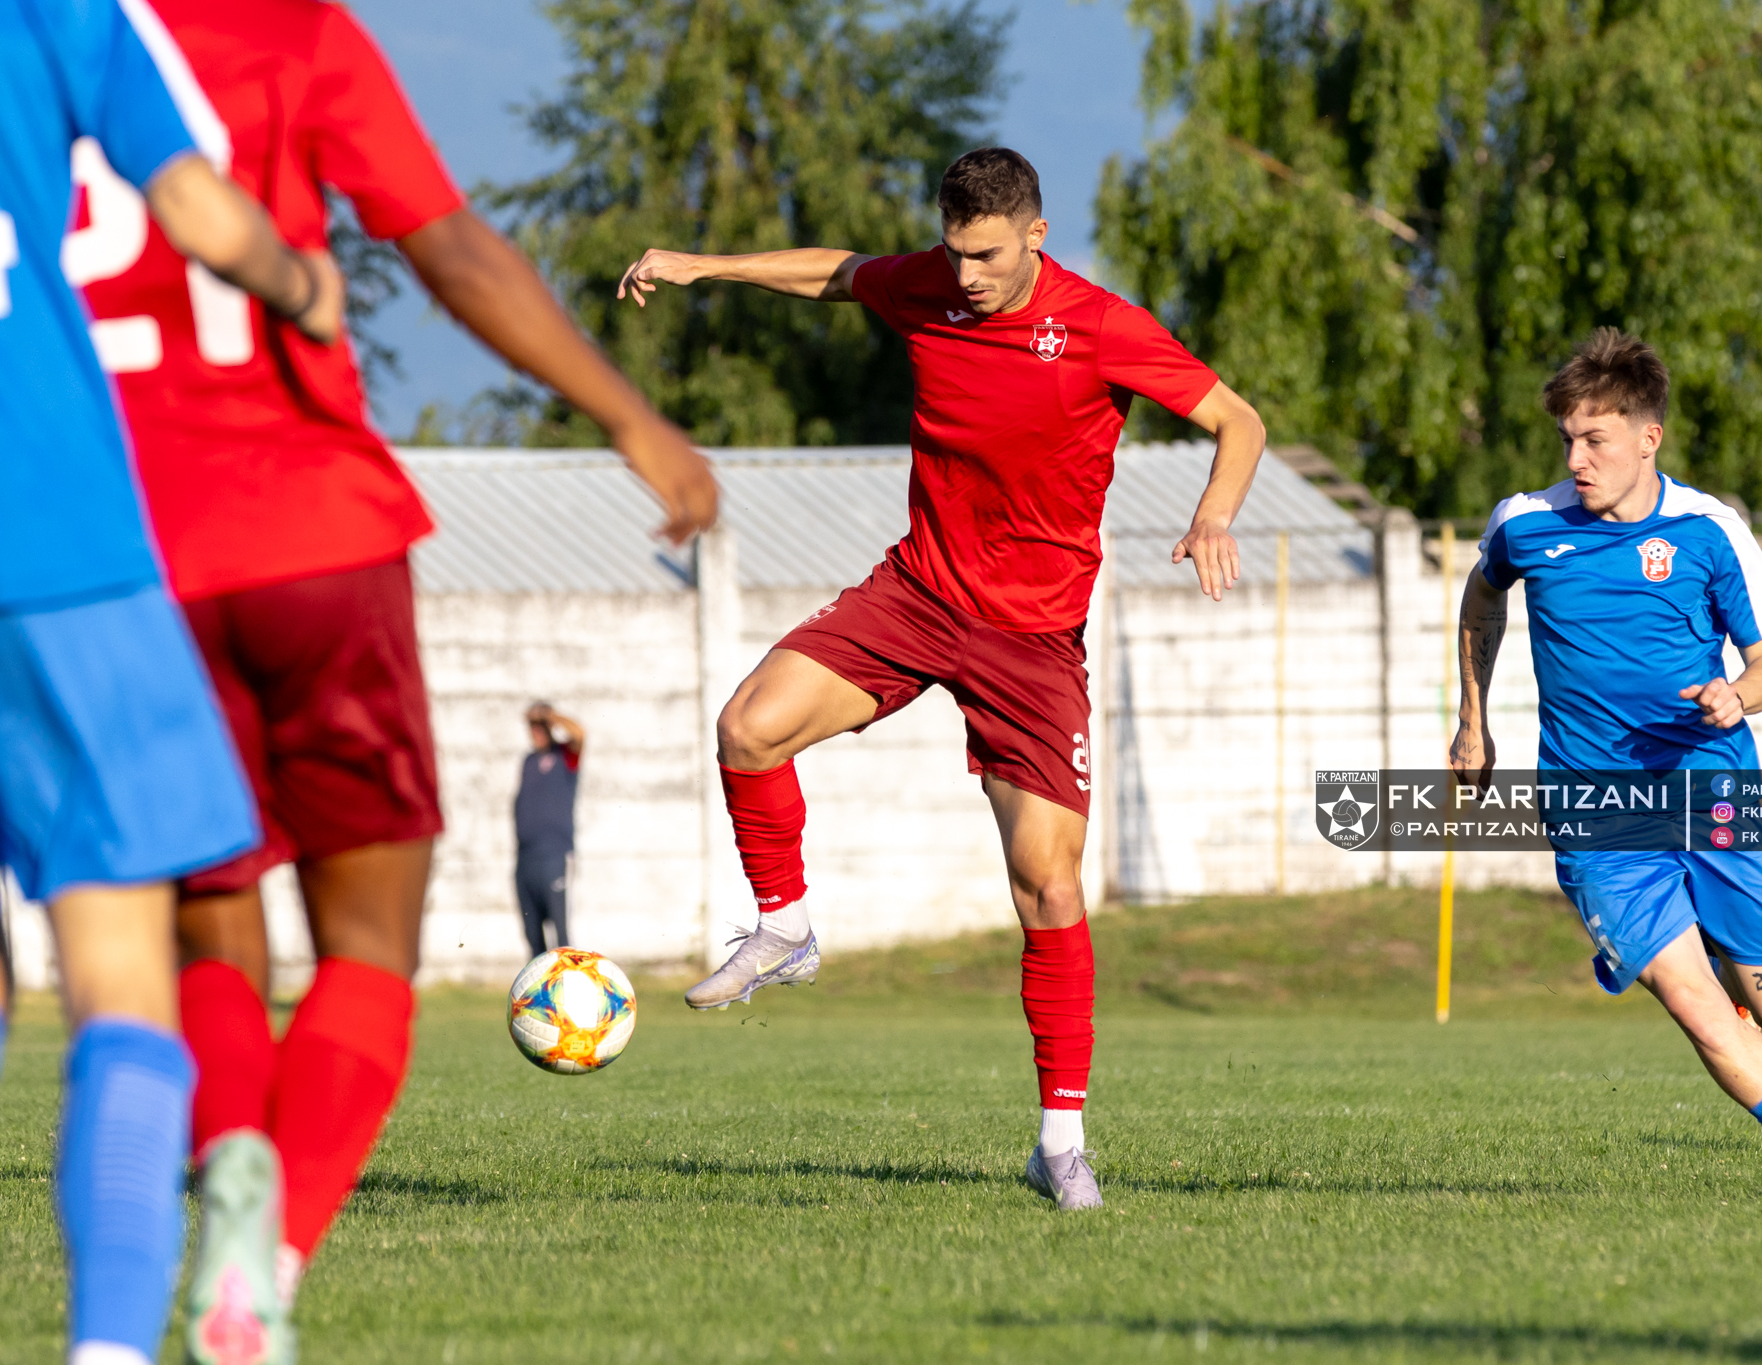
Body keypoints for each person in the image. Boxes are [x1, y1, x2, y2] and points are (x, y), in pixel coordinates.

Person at [69, 1, 718, 1357]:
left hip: (122, 555)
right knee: (367, 947)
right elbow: (451, 248)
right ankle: (267, 1267)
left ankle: (229, 1154)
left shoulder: (25, 42)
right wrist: (626, 415)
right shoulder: (293, 33)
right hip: (315, 538)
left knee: (206, 926)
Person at [617, 147, 1268, 1211]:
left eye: (986, 256)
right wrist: (703, 265)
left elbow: (1237, 419)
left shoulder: (1101, 326)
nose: (965, 276)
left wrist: (1213, 514)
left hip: (1031, 641)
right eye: (954, 252)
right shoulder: (930, 284)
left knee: (1047, 887)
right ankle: (784, 926)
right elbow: (837, 273)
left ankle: (1060, 1142)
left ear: (1035, 236)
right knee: (748, 727)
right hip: (917, 595)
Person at [0, 0, 345, 1359]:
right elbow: (198, 210)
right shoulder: (60, 13)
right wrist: (303, 285)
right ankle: (107, 1349)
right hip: (52, 537)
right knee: (120, 975)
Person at [1449, 328, 1762, 1203]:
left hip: (1711, 790)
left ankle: (1711, 951)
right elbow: (1481, 599)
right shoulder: (1526, 524)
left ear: (1648, 438)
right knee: (1698, 1007)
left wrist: (1738, 694)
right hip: (1596, 817)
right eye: (1567, 440)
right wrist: (1474, 721)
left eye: (1595, 440)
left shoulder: (1708, 530)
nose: (1576, 460)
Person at [515, 703, 586, 958]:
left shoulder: (564, 756)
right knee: (533, 936)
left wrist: (550, 716)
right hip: (526, 859)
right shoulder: (528, 761)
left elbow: (579, 734)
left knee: (561, 936)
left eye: (541, 726)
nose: (536, 731)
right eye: (532, 726)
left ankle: (566, 982)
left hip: (554, 856)